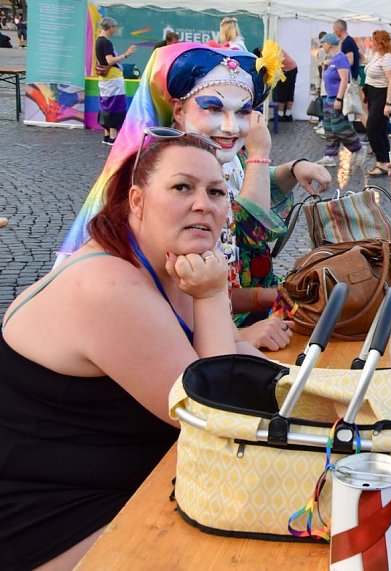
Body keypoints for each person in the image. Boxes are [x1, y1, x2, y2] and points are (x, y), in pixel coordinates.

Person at [0, 132, 259, 570]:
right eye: (183, 187)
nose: (203, 204)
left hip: (119, 480)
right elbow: (216, 420)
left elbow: (233, 350)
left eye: (216, 192)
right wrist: (213, 295)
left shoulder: (168, 264)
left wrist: (323, 390)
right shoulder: (109, 286)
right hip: (47, 512)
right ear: (137, 201)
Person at [58, 43, 331, 350]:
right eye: (213, 108)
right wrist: (260, 154)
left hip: (226, 318)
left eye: (242, 112)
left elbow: (245, 188)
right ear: (178, 110)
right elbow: (253, 230)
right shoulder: (161, 180)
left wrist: (292, 168)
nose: (230, 126)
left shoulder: (223, 159)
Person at [315, 33, 366, 168]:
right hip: (329, 97)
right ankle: (329, 156)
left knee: (339, 127)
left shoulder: (341, 58)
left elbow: (344, 80)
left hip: (337, 98)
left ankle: (358, 148)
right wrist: (326, 66)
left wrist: (339, 99)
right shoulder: (332, 59)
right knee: (328, 127)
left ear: (329, 44)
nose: (322, 45)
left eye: (323, 43)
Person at [363, 30, 391, 177]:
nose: (371, 43)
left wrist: (388, 103)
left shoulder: (388, 59)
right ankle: (386, 162)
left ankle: (382, 163)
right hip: (375, 95)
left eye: (373, 40)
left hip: (384, 96)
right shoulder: (378, 55)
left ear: (380, 42)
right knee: (380, 129)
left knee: (372, 129)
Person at [95, 17, 136, 145]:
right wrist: (126, 54)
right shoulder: (106, 42)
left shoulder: (98, 40)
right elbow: (110, 60)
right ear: (110, 28)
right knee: (116, 104)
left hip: (105, 78)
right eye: (115, 27)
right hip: (112, 78)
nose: (116, 29)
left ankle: (107, 134)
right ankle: (113, 135)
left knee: (106, 103)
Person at [272, 47, 298, 121]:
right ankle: (288, 114)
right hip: (293, 67)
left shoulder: (270, 52)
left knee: (281, 91)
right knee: (290, 90)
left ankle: (280, 115)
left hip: (286, 70)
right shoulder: (274, 48)